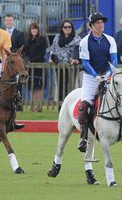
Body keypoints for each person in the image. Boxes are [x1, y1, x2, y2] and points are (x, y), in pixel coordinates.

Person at [77, 13, 118, 152]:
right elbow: (86, 63)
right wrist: (96, 76)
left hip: (108, 75)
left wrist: (109, 74)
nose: (101, 25)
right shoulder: (85, 41)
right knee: (83, 107)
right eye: (98, 23)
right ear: (91, 26)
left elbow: (114, 60)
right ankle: (83, 138)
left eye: (102, 22)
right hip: (90, 78)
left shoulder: (110, 40)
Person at [50, 19, 81, 110]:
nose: (67, 28)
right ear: (62, 28)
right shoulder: (57, 37)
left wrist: (76, 59)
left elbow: (79, 51)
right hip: (59, 66)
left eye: (69, 27)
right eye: (65, 27)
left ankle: (70, 106)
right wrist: (53, 58)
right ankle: (60, 106)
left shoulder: (77, 38)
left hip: (71, 67)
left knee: (70, 87)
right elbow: (53, 51)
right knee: (60, 86)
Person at [24, 23, 47, 112]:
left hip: (39, 66)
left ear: (38, 30)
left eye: (36, 29)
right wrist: (27, 60)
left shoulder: (42, 40)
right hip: (30, 67)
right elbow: (25, 52)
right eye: (32, 29)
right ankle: (32, 106)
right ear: (30, 30)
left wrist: (33, 60)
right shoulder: (27, 40)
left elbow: (42, 53)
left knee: (39, 87)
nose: (34, 30)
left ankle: (39, 106)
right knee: (32, 87)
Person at [4, 14, 25, 111]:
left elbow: (22, 48)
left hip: (14, 62)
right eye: (7, 20)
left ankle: (18, 103)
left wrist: (12, 54)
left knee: (17, 82)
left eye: (10, 20)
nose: (9, 22)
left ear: (13, 21)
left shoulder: (19, 34)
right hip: (5, 61)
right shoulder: (1, 33)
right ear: (5, 22)